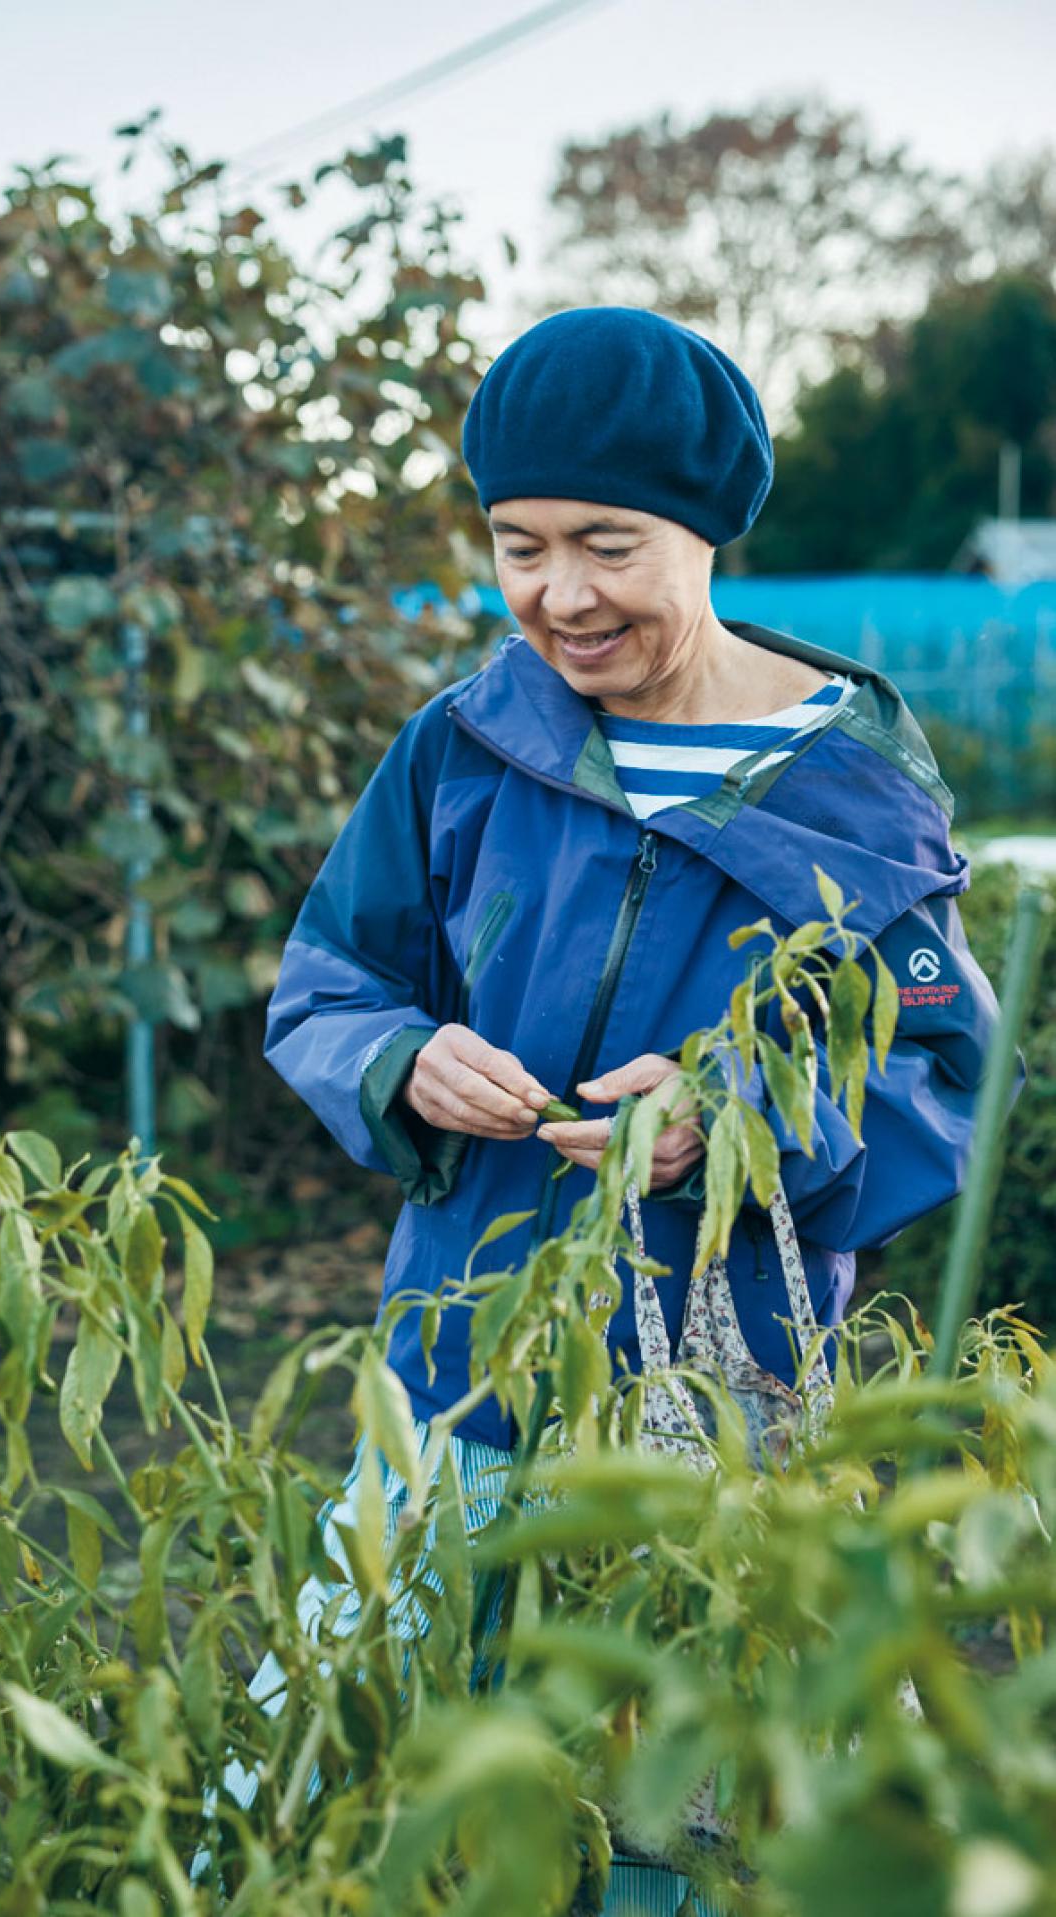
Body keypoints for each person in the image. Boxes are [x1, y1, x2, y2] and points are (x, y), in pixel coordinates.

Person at [255, 307, 1001, 1914]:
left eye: (609, 544)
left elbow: (943, 1070)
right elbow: (328, 981)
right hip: (450, 1363)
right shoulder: (462, 747)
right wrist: (401, 1059)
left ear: (707, 535)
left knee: (663, 1786)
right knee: (362, 1749)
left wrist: (746, 1119)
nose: (558, 595)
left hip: (710, 1389)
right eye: (518, 546)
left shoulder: (848, 780)